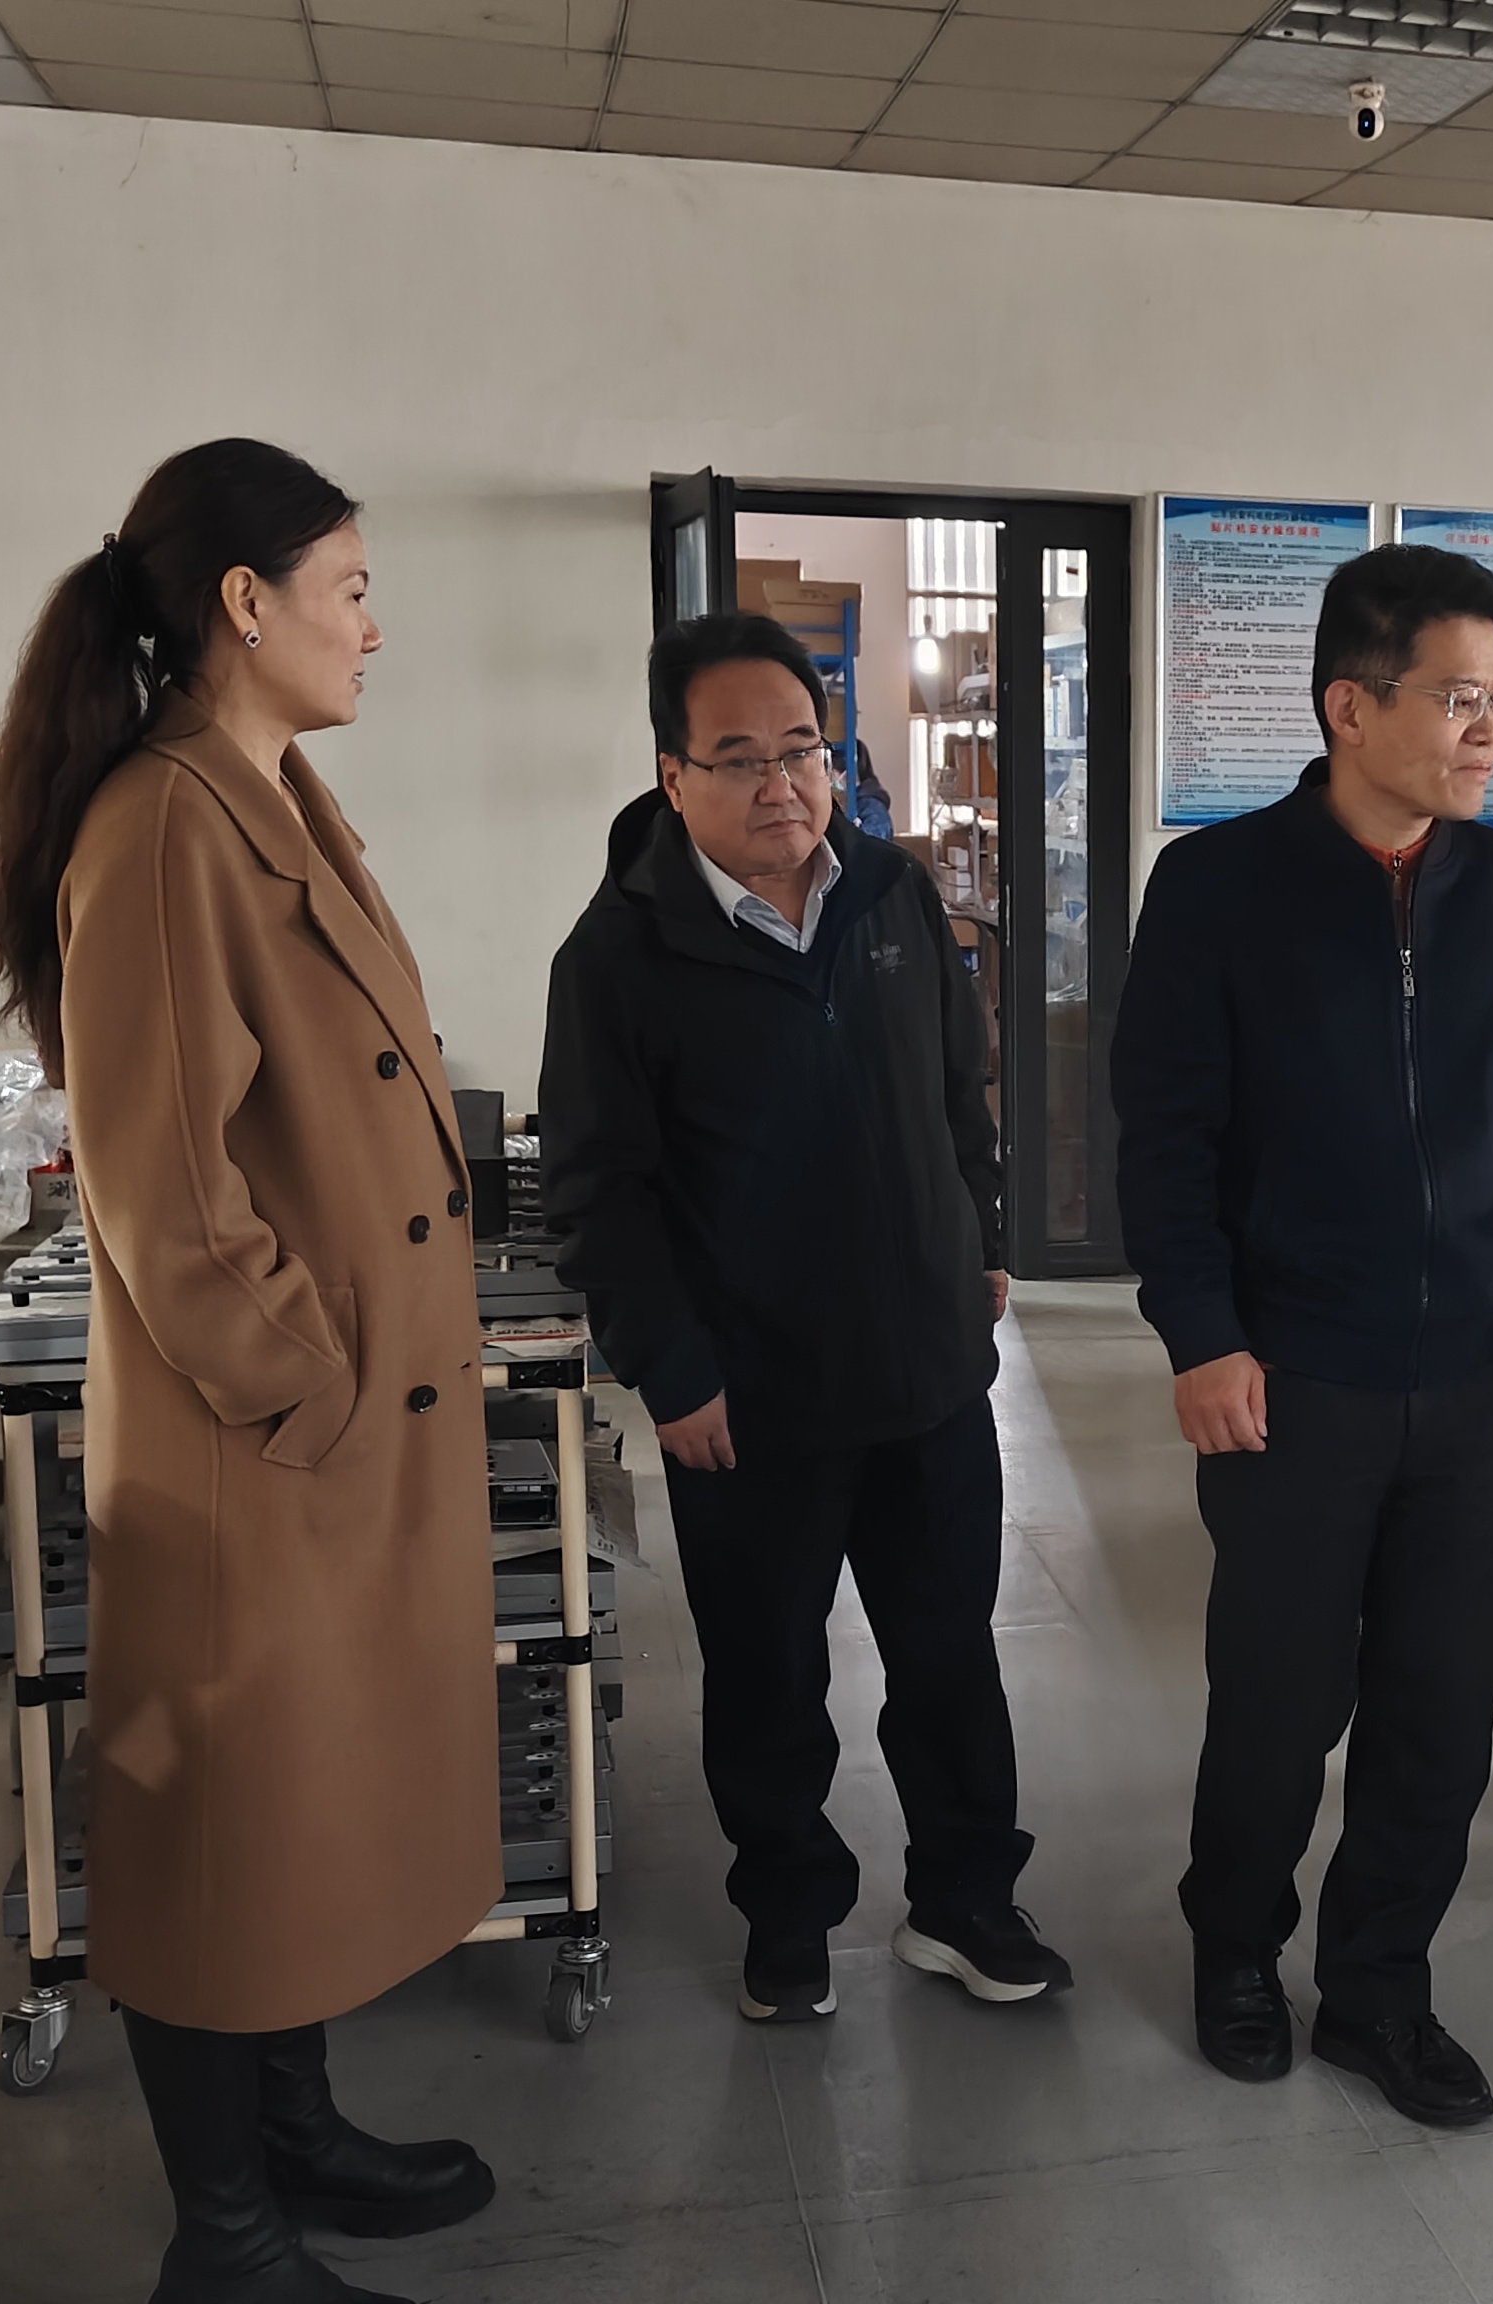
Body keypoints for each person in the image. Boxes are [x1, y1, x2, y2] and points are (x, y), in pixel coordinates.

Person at [0, 438, 498, 2304]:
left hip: (329, 1428)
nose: (374, 626)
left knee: (296, 1824)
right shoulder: (161, 825)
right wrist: (310, 1383)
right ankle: (228, 2242)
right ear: (245, 603)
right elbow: (165, 1191)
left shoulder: (268, 797)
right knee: (220, 1845)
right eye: (350, 590)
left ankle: (297, 2138)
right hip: (256, 1438)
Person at [1115, 543, 1493, 2127]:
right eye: (1459, 699)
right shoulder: (1218, 889)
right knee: (1276, 1711)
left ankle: (1381, 1988)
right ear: (1350, 707)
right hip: (1291, 1377)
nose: (1491, 730)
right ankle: (1236, 1951)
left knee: (1437, 1719)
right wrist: (1202, 1334)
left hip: (1473, 1379)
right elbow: (1165, 1141)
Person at [541, 612, 1062, 2027]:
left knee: (949, 1657)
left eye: (802, 750)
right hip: (750, 1397)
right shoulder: (619, 954)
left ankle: (965, 1897)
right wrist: (672, 1369)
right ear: (673, 776)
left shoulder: (892, 896)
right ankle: (788, 1912)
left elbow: (960, 1092)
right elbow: (599, 1191)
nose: (781, 784)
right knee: (769, 1675)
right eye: (740, 758)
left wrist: (981, 1244)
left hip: (927, 1371)